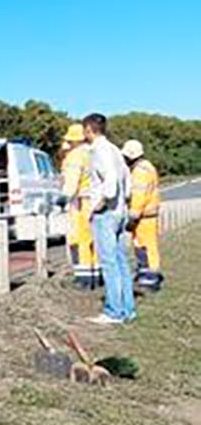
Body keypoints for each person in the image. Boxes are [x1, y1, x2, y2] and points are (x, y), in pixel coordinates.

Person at [82, 113, 134, 324]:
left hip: (107, 213)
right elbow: (126, 182)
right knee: (121, 262)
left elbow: (110, 182)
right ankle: (127, 309)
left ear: (89, 129)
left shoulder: (99, 151)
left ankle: (114, 310)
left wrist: (98, 206)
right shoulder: (114, 149)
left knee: (109, 262)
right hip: (121, 211)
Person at [60, 123, 100, 289]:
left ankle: (83, 278)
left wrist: (63, 198)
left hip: (81, 201)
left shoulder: (75, 156)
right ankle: (96, 274)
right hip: (93, 200)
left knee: (79, 238)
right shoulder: (92, 152)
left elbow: (71, 181)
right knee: (92, 239)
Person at [122, 139, 163, 291]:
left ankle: (150, 279)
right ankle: (145, 274)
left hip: (144, 216)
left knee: (145, 246)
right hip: (147, 215)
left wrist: (132, 217)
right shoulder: (147, 167)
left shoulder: (140, 171)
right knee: (143, 246)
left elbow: (139, 196)